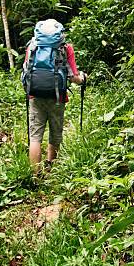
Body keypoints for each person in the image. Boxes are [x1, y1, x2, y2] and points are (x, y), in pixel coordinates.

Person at [22, 19, 86, 174]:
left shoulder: (32, 46)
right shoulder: (66, 48)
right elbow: (73, 77)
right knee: (55, 133)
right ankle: (50, 166)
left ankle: (36, 175)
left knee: (35, 137)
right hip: (58, 97)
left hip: (35, 96)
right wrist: (83, 78)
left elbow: (26, 72)